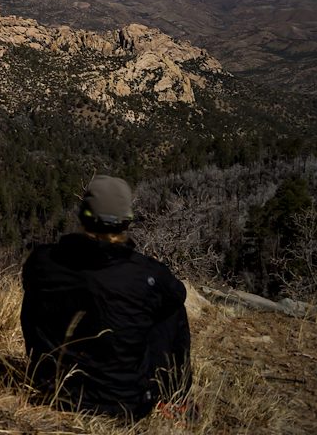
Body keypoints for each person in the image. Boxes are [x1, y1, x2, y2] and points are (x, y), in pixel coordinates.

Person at [20, 175, 191, 421]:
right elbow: (178, 295)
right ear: (126, 223)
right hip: (125, 406)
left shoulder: (42, 260)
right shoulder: (147, 275)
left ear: (82, 217)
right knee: (172, 308)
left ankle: (46, 371)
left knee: (36, 290)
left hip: (52, 392)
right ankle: (174, 397)